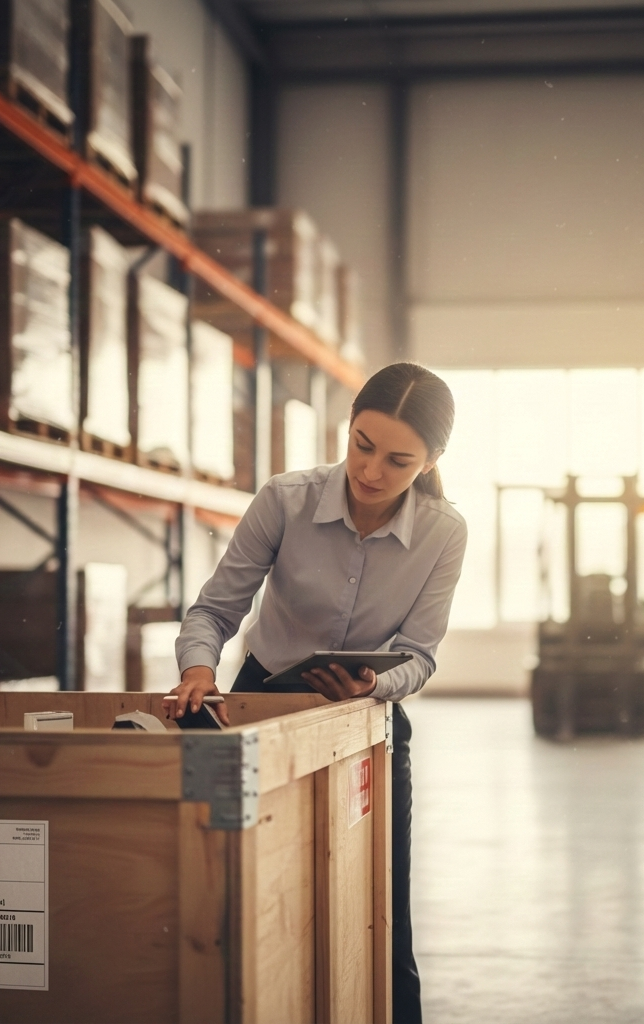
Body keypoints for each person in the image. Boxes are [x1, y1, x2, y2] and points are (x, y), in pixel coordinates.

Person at [169, 361, 467, 1024]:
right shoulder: (285, 499)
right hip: (260, 708)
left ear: (431, 461)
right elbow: (214, 610)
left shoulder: (444, 532)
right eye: (362, 444)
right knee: (245, 897)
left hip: (368, 718)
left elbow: (420, 656)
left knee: (383, 909)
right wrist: (197, 671)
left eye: (397, 461)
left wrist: (374, 685)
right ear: (349, 426)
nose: (370, 471)